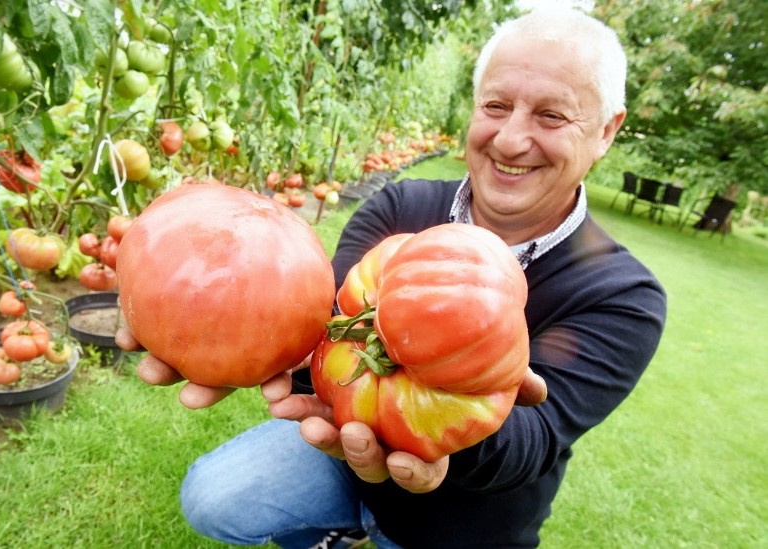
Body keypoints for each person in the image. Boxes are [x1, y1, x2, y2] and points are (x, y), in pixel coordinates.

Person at [116, 6, 666, 548]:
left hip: (461, 525)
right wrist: (200, 318)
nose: (510, 140)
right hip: (343, 462)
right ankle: (332, 535)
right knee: (214, 495)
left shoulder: (623, 296)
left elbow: (533, 441)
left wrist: (461, 383)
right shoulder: (399, 208)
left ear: (605, 132)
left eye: (551, 116)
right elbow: (324, 332)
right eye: (496, 106)